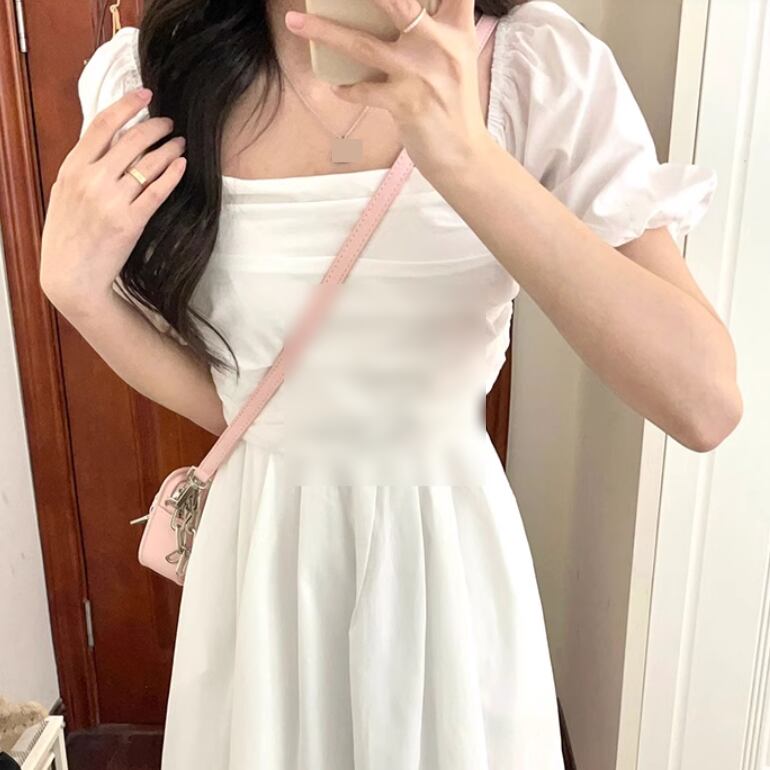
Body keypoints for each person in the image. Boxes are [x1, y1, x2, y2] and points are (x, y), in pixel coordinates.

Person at [39, 0, 741, 767]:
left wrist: (466, 159)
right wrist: (79, 296)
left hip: (446, 571)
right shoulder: (153, 81)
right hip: (261, 560)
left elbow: (703, 401)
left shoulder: (533, 69)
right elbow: (248, 406)